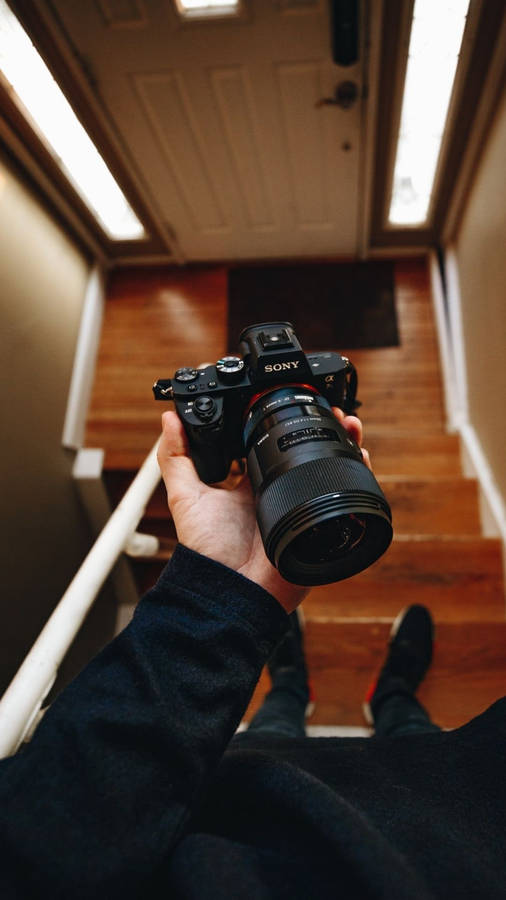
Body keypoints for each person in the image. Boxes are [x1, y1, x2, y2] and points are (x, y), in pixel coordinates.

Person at [0, 408, 505, 899]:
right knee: (419, 738)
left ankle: (290, 686)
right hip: (457, 802)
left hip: (252, 795)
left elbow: (47, 832)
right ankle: (392, 698)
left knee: (272, 729)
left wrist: (224, 607)